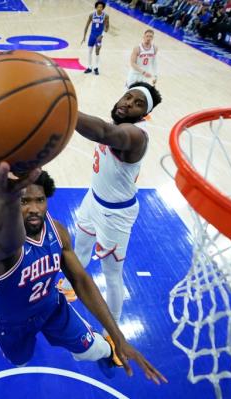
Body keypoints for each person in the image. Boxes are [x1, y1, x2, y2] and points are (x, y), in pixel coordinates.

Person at [0, 140, 167, 383]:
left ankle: (105, 352)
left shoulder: (57, 231)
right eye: (24, 201)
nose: (34, 208)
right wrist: (3, 196)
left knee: (95, 349)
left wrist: (117, 336)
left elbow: (81, 280)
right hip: (10, 323)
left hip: (51, 308)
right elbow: (2, 235)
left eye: (40, 200)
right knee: (21, 361)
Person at [57, 82, 162, 341]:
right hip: (93, 199)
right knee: (79, 248)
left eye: (138, 103)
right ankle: (70, 286)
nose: (128, 103)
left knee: (111, 275)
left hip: (116, 215)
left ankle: (113, 331)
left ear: (144, 114)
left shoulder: (136, 136)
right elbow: (105, 129)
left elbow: (103, 132)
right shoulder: (118, 123)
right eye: (127, 96)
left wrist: (61, 107)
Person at [81, 1, 109, 76]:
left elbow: (107, 27)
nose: (100, 8)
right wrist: (84, 36)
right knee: (90, 51)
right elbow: (86, 26)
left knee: (97, 50)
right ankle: (89, 67)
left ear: (103, 8)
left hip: (99, 36)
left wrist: (102, 36)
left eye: (101, 7)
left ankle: (96, 67)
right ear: (96, 7)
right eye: (98, 7)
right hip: (92, 36)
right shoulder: (91, 15)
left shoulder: (106, 16)